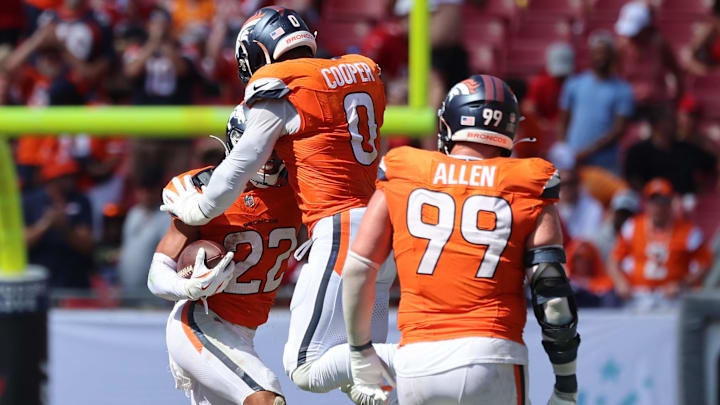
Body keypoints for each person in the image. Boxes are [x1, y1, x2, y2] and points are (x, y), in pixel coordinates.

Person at [158, 7, 397, 404]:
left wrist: (197, 209)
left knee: (305, 364)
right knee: (369, 386)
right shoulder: (360, 68)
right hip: (378, 227)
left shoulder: (280, 82)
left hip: (341, 228)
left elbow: (240, 164)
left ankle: (428, 362)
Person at [342, 75, 580, 405]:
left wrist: (359, 352)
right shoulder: (528, 180)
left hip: (418, 360)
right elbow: (551, 294)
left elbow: (357, 268)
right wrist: (566, 383)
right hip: (492, 353)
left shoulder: (405, 168)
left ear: (449, 122)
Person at [148, 104, 303, 405]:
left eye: (274, 145)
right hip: (200, 320)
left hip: (245, 332)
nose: (268, 156)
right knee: (266, 397)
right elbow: (156, 274)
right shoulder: (205, 190)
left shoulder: (299, 190)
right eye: (260, 146)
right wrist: (188, 287)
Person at [608, 178, 713, 308]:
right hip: (637, 295)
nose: (658, 207)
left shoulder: (688, 231)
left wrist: (682, 283)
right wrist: (620, 282)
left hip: (673, 298)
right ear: (646, 203)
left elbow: (705, 264)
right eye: (653, 201)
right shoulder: (632, 226)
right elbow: (614, 260)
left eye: (663, 201)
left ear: (670, 203)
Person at [559, 31, 634, 174]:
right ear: (590, 54)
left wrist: (588, 151)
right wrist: (564, 149)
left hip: (605, 165)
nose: (601, 57)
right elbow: (563, 120)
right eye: (597, 52)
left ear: (612, 56)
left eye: (605, 53)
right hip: (574, 162)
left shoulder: (623, 89)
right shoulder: (574, 84)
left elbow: (619, 130)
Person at [615, 1, 684, 116]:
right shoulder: (621, 47)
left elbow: (677, 72)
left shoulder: (660, 45)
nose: (631, 38)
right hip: (628, 104)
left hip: (657, 105)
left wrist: (676, 101)